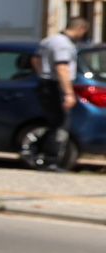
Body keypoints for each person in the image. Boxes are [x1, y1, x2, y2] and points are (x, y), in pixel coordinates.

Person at [32, 15, 91, 170]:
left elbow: (35, 60)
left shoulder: (49, 40)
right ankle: (51, 160)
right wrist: (69, 93)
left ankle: (38, 153)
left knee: (52, 122)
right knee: (60, 124)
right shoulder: (63, 45)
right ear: (81, 29)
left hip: (45, 83)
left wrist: (42, 75)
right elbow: (62, 68)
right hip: (56, 86)